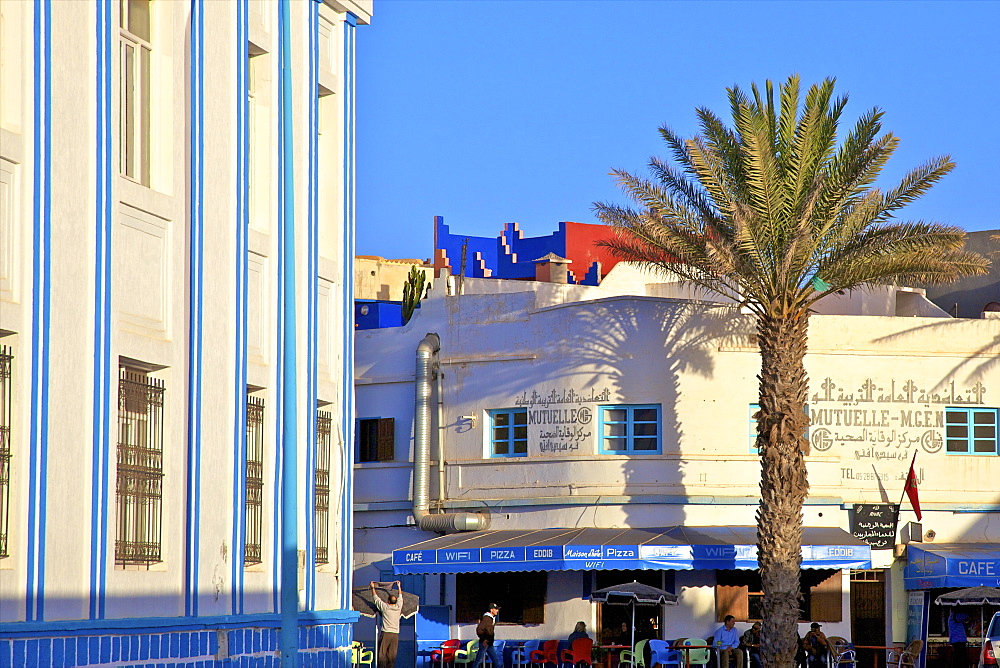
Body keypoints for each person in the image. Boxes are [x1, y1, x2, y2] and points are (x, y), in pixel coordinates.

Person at [371, 580, 404, 668]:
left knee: (382, 653)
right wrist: (399, 586)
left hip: (386, 633)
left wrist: (372, 588)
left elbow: (376, 598)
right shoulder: (398, 607)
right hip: (395, 634)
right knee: (392, 655)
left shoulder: (385, 607)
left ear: (388, 601)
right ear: (395, 602)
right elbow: (401, 597)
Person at [474, 603, 503, 668]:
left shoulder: (491, 619)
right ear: (491, 610)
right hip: (485, 643)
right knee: (478, 660)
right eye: (496, 609)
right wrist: (484, 639)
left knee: (496, 660)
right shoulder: (487, 619)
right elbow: (479, 629)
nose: (497, 611)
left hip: (489, 643)